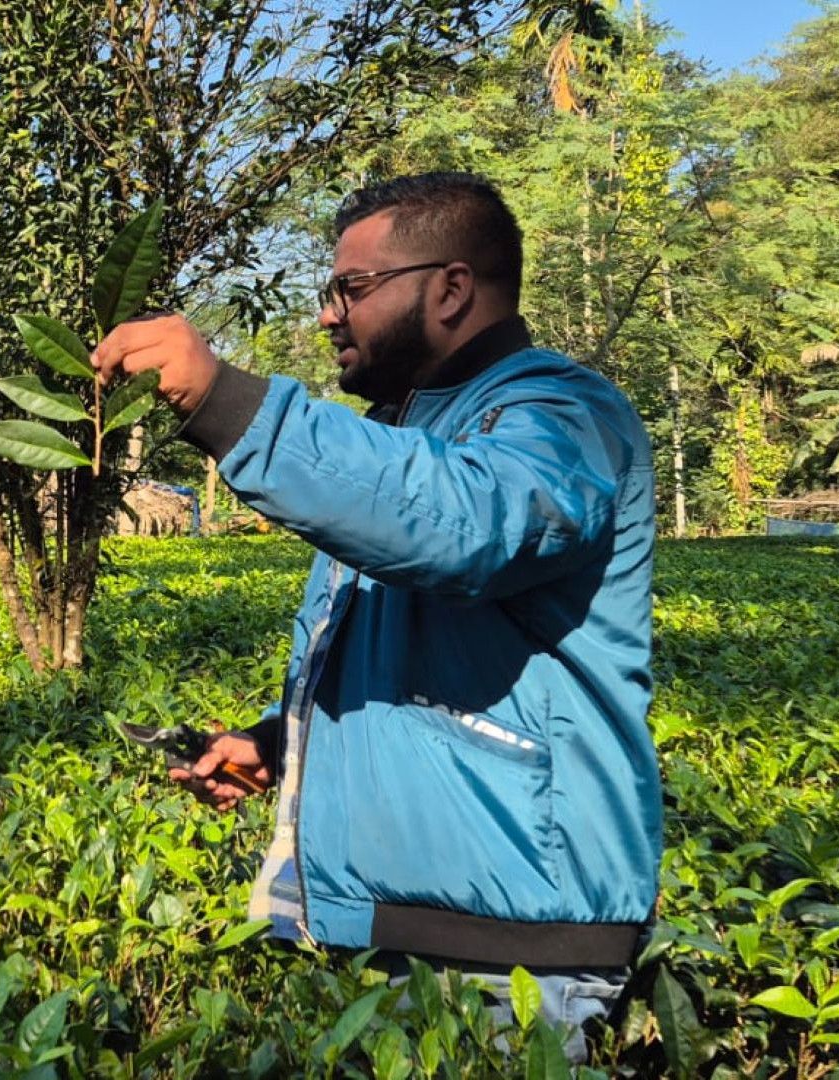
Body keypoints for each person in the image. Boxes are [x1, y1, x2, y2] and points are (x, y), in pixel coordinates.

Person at [91, 172, 660, 1062]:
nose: (329, 315)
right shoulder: (408, 439)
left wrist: (227, 403)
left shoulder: (567, 413)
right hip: (393, 932)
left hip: (510, 959)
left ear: (451, 288)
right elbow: (427, 647)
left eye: (350, 288)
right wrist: (280, 741)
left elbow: (470, 526)